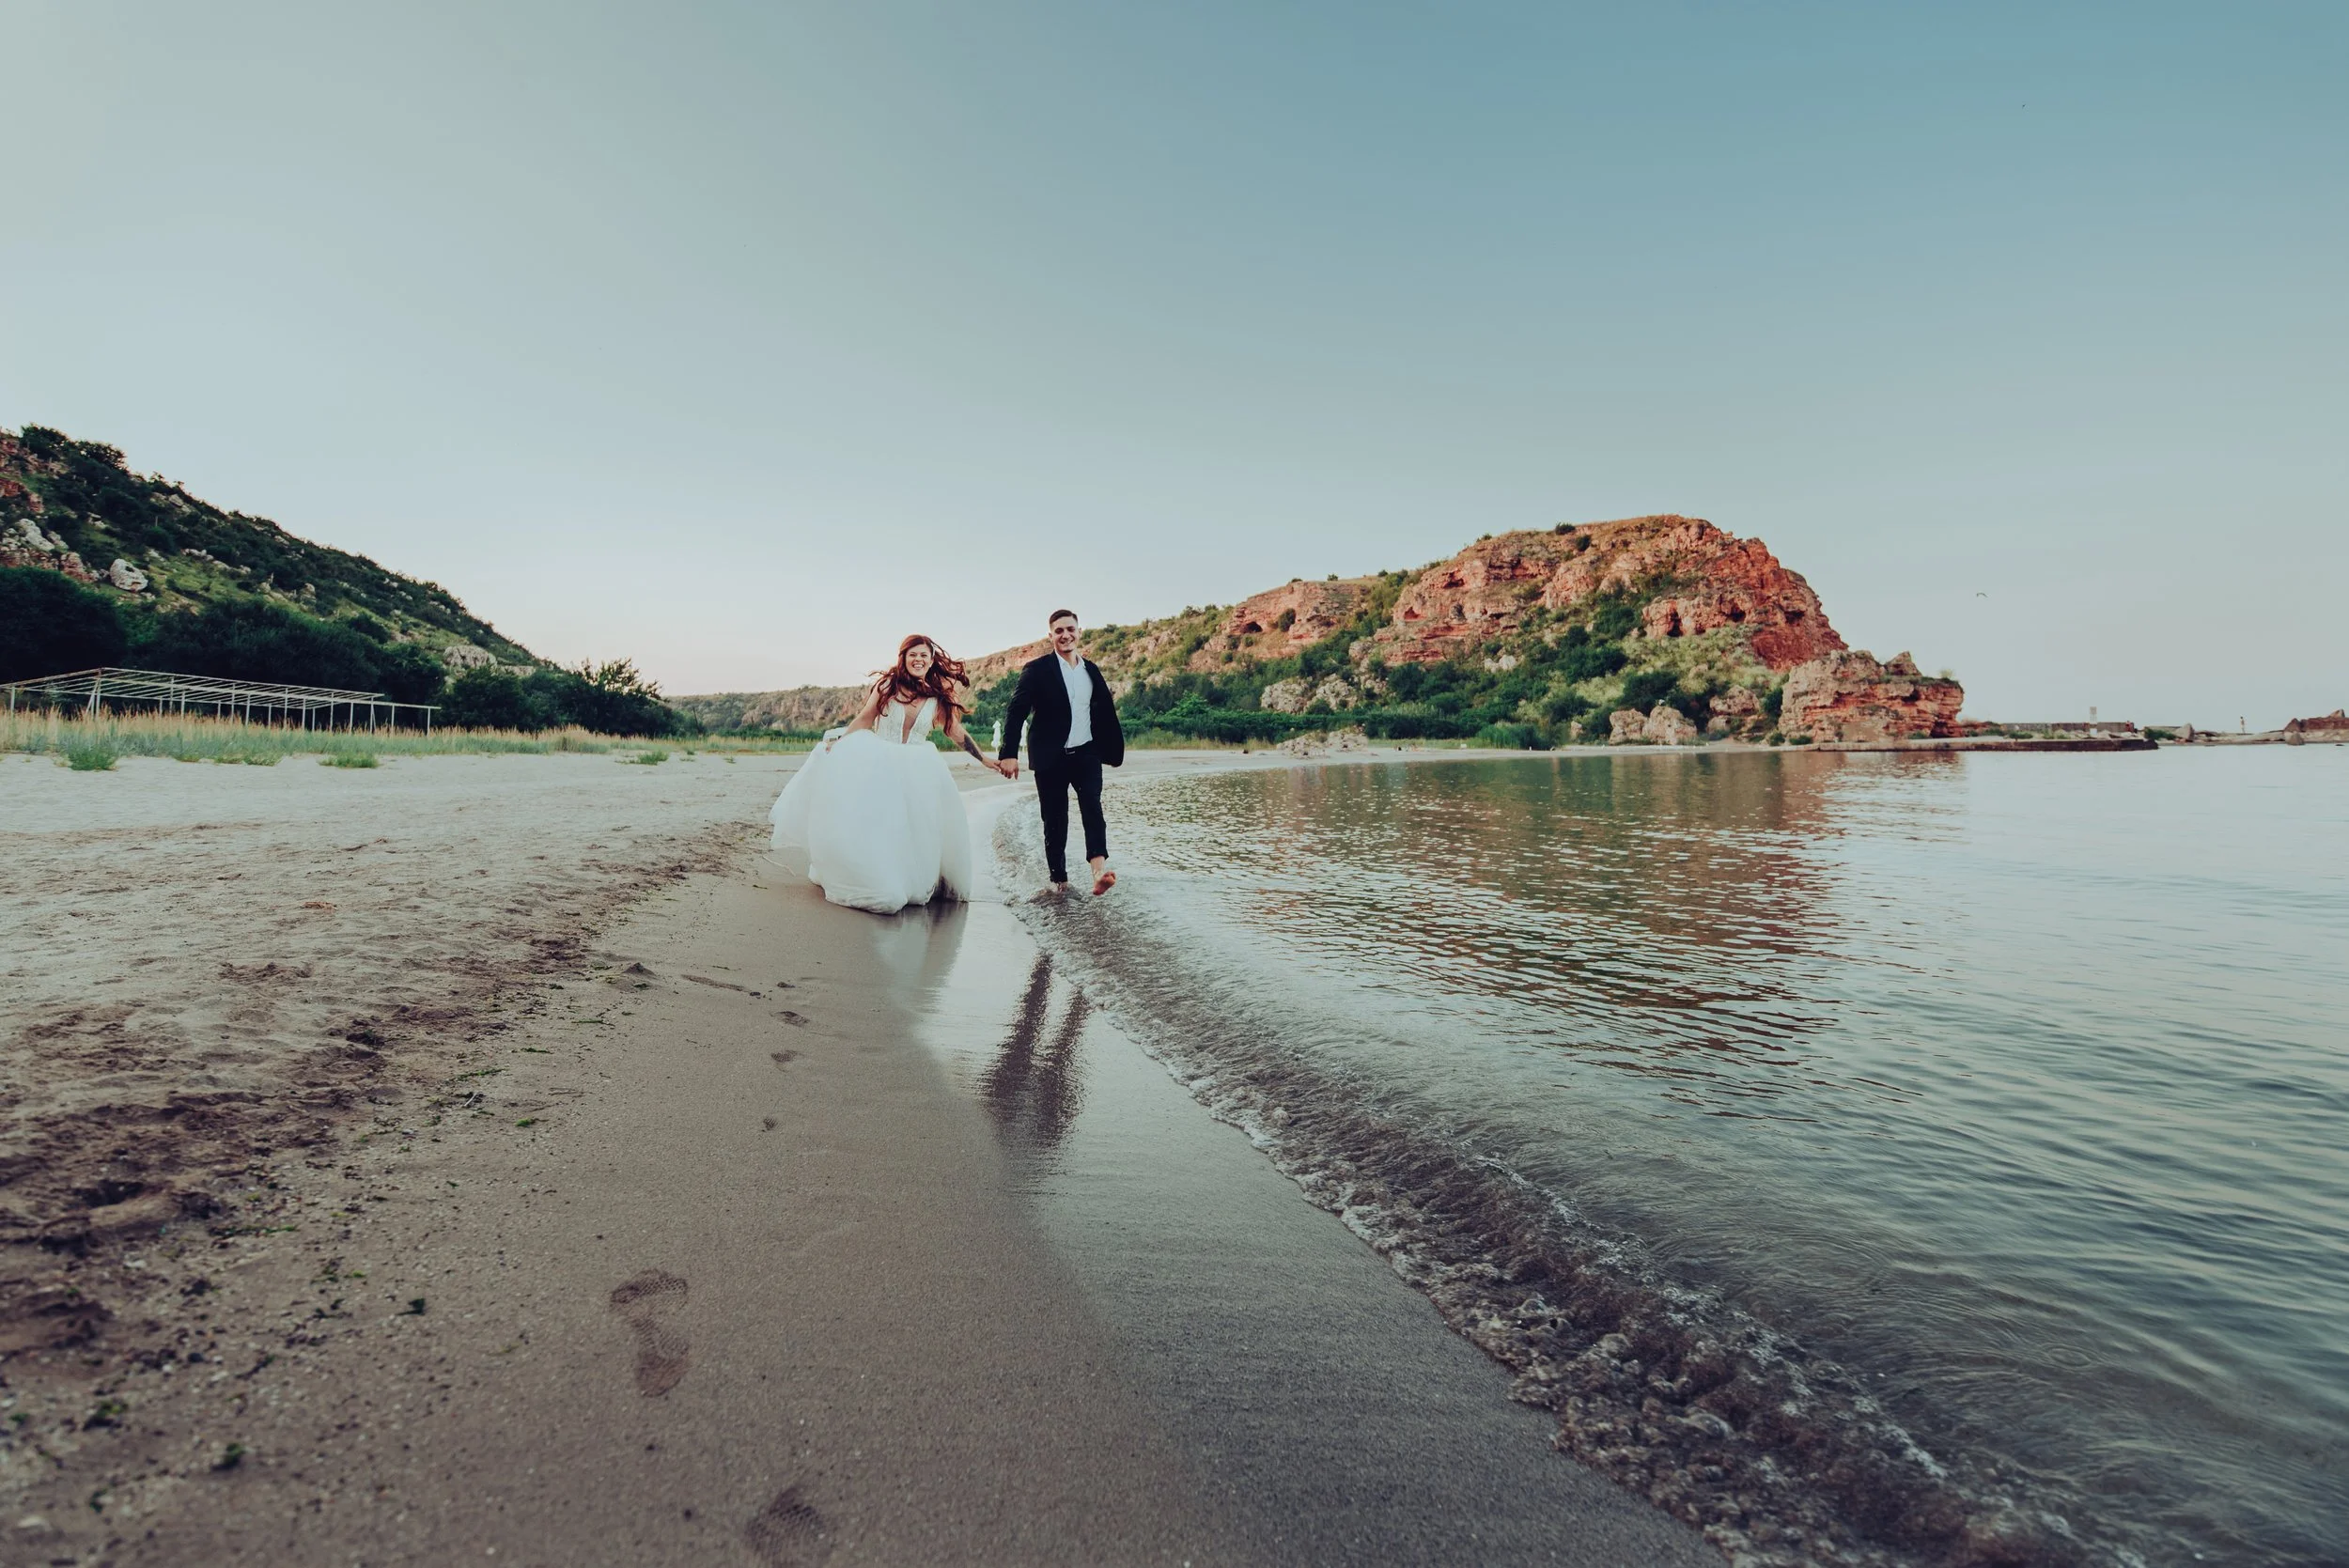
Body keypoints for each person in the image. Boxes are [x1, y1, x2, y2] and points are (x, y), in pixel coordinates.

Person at [770, 635, 1013, 914]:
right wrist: (841, 742)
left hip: (919, 767)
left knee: (914, 827)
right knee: (879, 823)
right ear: (904, 658)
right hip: (880, 761)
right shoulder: (887, 685)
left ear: (931, 661)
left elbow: (955, 732)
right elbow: (864, 718)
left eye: (924, 655)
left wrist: (984, 759)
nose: (918, 660)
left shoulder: (938, 695)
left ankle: (906, 875)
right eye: (913, 655)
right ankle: (876, 875)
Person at [998, 609, 1125, 895]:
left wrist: (1111, 749)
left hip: (1086, 754)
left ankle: (1098, 875)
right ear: (1051, 635)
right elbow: (1016, 712)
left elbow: (1103, 711)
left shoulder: (1091, 670)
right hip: (1050, 756)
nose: (1065, 635)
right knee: (1055, 820)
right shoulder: (1037, 669)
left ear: (1080, 632)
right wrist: (1009, 753)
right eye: (1059, 631)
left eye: (1070, 629)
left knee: (1092, 806)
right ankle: (1060, 883)